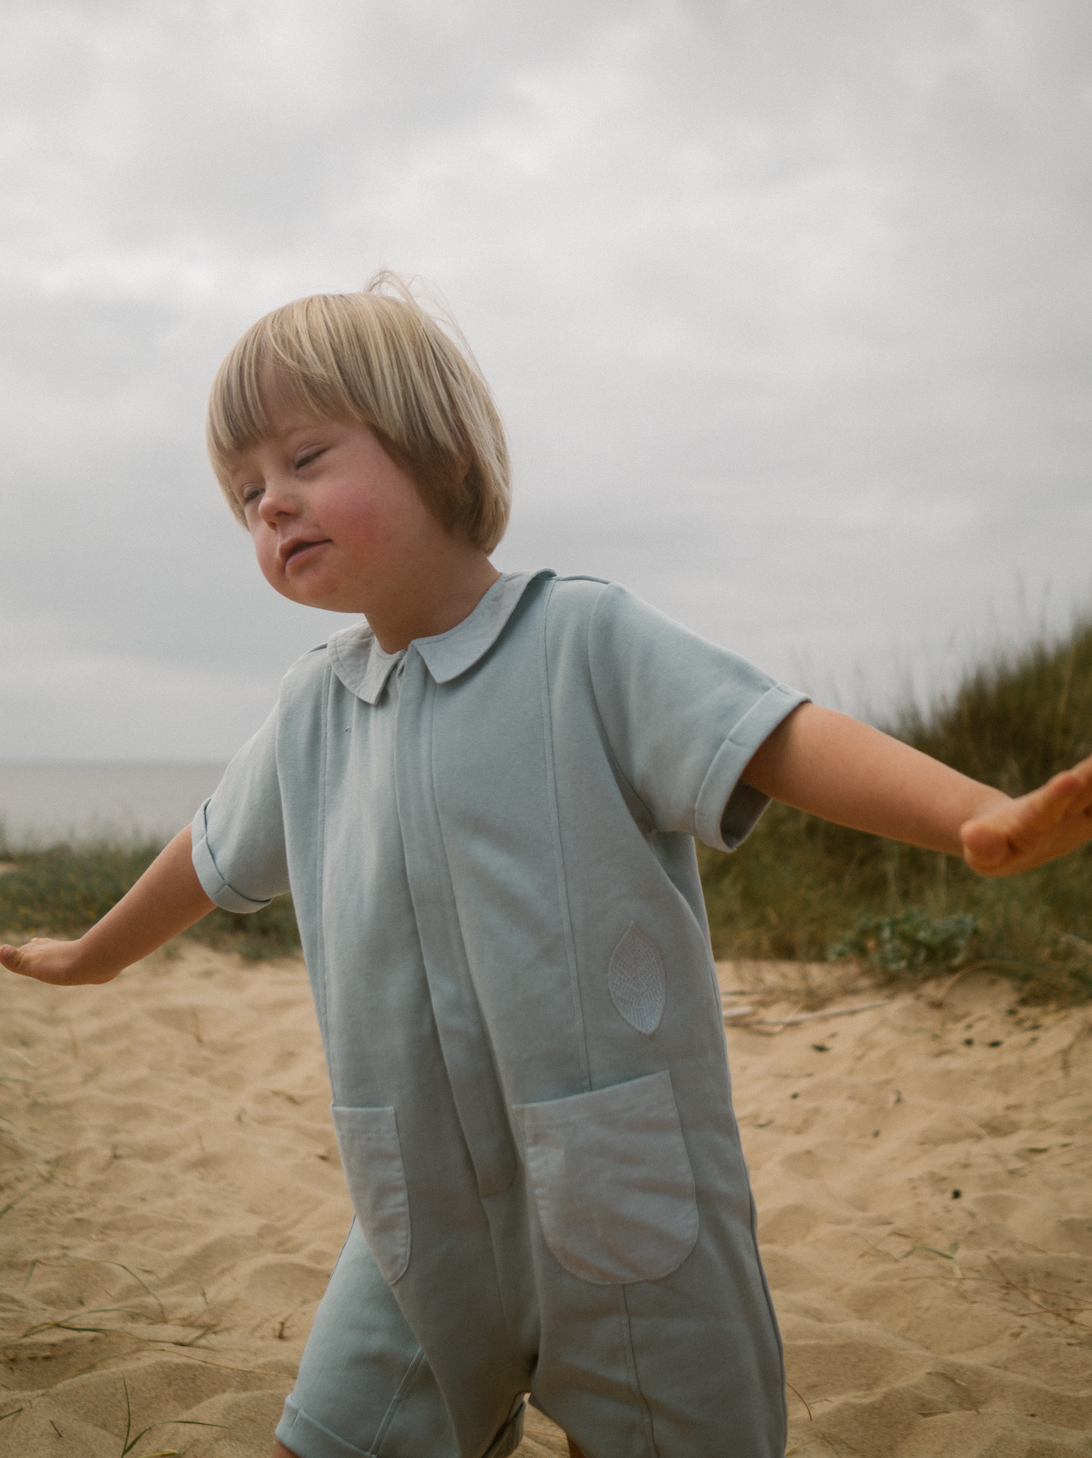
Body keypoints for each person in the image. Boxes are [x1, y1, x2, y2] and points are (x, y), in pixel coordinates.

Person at [4, 277, 1092, 1458]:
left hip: (628, 1197)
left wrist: (984, 818)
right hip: (413, 1212)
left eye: (306, 456)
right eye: (244, 492)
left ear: (435, 446)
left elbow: (778, 738)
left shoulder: (580, 641)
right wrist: (91, 955)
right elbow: (210, 855)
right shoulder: (312, 710)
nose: (271, 504)